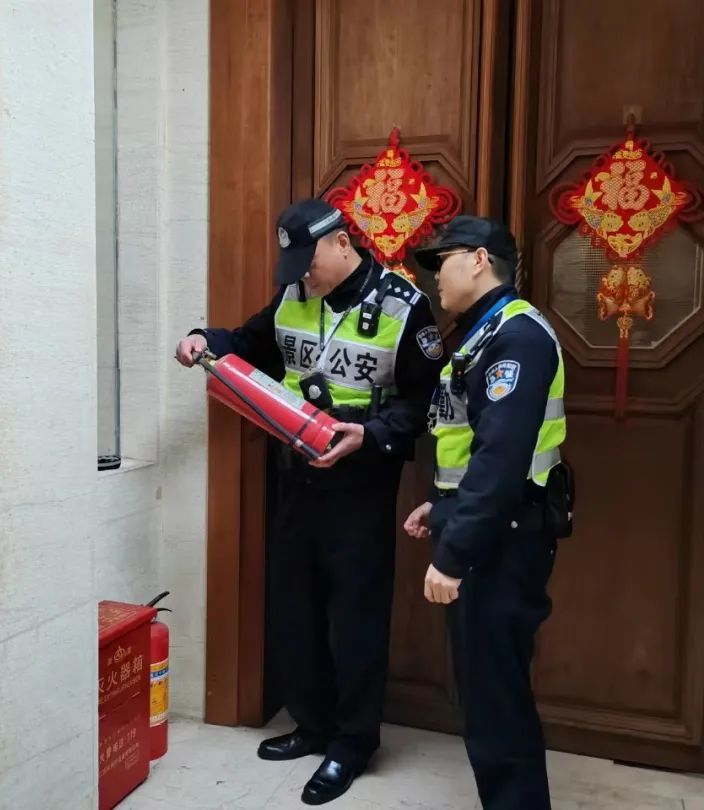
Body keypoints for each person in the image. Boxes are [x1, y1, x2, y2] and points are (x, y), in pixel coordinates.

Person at [176, 198, 445, 805]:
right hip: (296, 479)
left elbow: (424, 401)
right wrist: (202, 338)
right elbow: (247, 343)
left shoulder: (403, 307)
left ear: (342, 242)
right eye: (294, 265)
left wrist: (369, 436)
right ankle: (313, 724)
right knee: (295, 610)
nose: (303, 275)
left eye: (309, 261)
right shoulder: (294, 296)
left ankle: (352, 743)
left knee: (355, 620)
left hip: (359, 487)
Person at [403, 215, 569, 810]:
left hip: (503, 541)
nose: (434, 277)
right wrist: (443, 505)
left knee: (496, 700)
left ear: (478, 260)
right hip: (494, 528)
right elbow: (478, 447)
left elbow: (501, 460)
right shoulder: (486, 332)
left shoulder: (515, 338)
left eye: (441, 262)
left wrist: (453, 554)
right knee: (488, 694)